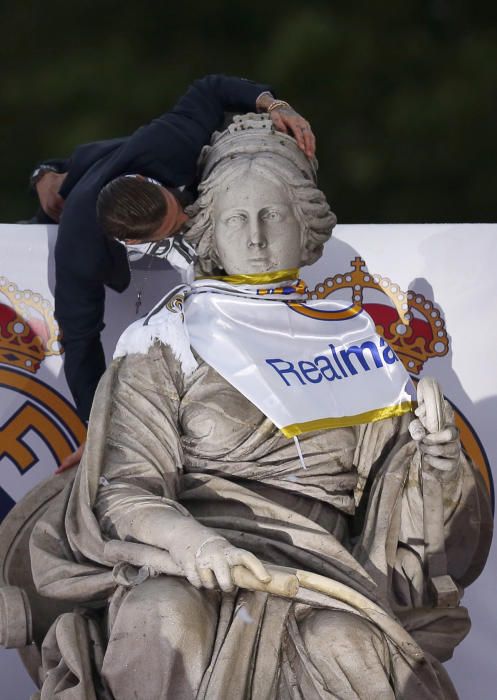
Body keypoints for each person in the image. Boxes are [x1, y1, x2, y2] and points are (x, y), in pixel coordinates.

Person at [28, 116, 491, 699]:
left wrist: (441, 469)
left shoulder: (357, 344)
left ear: (307, 228)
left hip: (325, 573)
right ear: (211, 232)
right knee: (161, 616)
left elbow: (404, 513)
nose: (254, 237)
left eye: (272, 215)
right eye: (235, 219)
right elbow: (123, 490)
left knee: (347, 646)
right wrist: (195, 545)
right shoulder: (166, 336)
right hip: (188, 557)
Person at [30, 75, 315, 438]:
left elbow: (211, 89)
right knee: (53, 193)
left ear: (157, 184)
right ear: (131, 241)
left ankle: (54, 173)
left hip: (117, 155)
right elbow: (79, 341)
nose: (186, 221)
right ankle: (47, 174)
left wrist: (276, 106)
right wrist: (97, 431)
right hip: (74, 200)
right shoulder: (80, 248)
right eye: (173, 229)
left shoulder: (170, 144)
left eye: (175, 209)